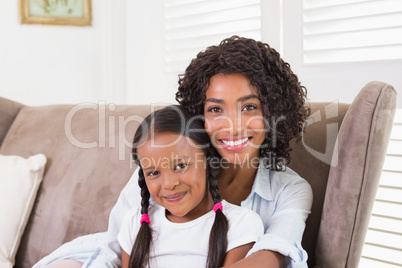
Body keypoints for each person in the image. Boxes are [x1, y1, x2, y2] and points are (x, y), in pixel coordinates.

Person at [35, 35, 313, 268]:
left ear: (274, 111)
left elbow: (276, 251)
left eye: (249, 107)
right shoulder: (163, 169)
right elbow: (110, 252)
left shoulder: (289, 190)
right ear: (197, 117)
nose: (232, 125)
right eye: (216, 109)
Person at [119, 105, 264, 268]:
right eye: (153, 173)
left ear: (208, 162)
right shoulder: (134, 223)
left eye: (181, 166)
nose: (169, 184)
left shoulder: (241, 224)